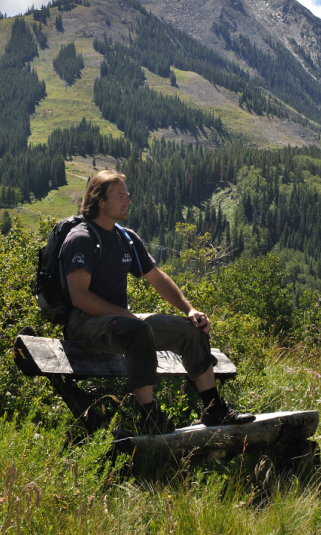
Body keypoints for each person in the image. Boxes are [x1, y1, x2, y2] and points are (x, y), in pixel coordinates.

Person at [60, 169, 255, 434]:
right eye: (120, 196)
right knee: (137, 328)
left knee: (190, 330)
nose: (127, 201)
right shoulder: (82, 238)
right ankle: (149, 417)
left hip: (119, 323)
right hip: (84, 324)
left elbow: (158, 278)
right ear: (100, 201)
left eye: (127, 195)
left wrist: (190, 310)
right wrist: (126, 317)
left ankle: (214, 409)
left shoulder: (125, 238)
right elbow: (79, 297)